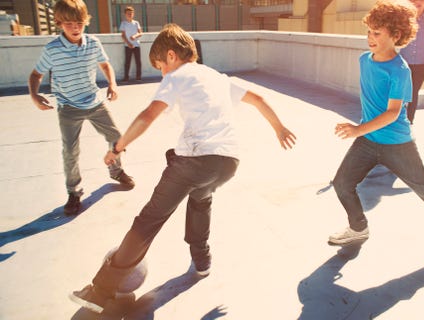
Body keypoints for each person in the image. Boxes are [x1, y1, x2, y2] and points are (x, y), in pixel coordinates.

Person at [69, 23, 296, 313]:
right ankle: (202, 262)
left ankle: (100, 292)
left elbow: (148, 115)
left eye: (161, 66)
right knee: (201, 200)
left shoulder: (177, 76)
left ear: (172, 56)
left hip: (194, 161)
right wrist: (279, 128)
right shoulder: (216, 76)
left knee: (148, 220)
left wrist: (118, 147)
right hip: (227, 163)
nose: (162, 72)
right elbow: (259, 99)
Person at [328, 0, 424, 260]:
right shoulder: (364, 60)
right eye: (369, 31)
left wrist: (357, 129)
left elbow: (392, 113)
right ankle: (358, 228)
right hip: (367, 142)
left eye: (377, 33)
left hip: (398, 144)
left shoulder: (400, 71)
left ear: (395, 36)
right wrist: (361, 133)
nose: (370, 38)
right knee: (342, 184)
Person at [28, 0, 135, 216]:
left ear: (85, 21)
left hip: (94, 102)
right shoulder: (52, 49)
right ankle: (74, 192)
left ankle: (116, 171)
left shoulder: (93, 43)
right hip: (68, 107)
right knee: (70, 151)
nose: (75, 27)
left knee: (117, 137)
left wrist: (112, 84)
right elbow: (36, 75)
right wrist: (34, 95)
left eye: (79, 22)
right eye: (68, 23)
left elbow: (105, 65)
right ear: (59, 23)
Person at [120, 6, 142, 82]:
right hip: (127, 46)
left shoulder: (136, 23)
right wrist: (128, 43)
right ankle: (126, 77)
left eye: (131, 13)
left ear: (133, 14)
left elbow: (140, 33)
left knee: (138, 61)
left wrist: (135, 36)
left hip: (136, 45)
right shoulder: (123, 23)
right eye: (128, 13)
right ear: (125, 14)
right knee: (127, 62)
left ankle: (138, 77)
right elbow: (123, 35)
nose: (130, 15)